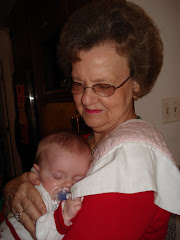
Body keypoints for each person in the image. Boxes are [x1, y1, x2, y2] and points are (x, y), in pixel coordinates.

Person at [2, 0, 180, 239]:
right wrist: (11, 189)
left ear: (136, 84)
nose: (85, 99)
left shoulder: (130, 160)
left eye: (104, 85)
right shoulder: (83, 145)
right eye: (78, 84)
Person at [0, 131, 92, 239]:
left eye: (78, 179)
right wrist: (64, 216)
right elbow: (42, 233)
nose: (68, 184)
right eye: (57, 176)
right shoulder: (38, 192)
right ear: (38, 171)